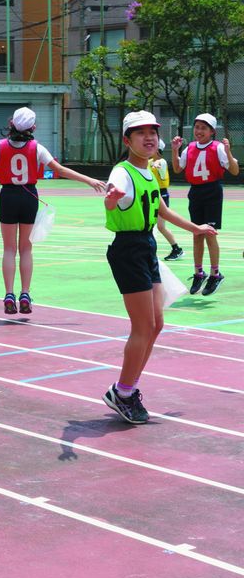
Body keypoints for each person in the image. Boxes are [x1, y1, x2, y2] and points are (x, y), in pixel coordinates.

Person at [103, 112, 216, 424]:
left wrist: (196, 228)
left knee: (156, 325)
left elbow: (162, 209)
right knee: (142, 327)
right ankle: (122, 392)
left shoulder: (149, 172)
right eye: (140, 133)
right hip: (129, 250)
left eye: (152, 132)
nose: (149, 137)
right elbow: (114, 195)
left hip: (146, 247)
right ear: (127, 140)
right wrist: (111, 200)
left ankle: (128, 388)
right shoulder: (122, 172)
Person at [0, 107, 105, 315]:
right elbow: (60, 170)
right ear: (33, 128)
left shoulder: (0, 147)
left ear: (11, 124)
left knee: (9, 249)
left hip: (8, 196)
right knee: (26, 249)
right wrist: (89, 180)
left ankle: (9, 294)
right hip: (29, 196)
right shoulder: (37, 148)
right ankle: (25, 293)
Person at [171, 113, 238, 295]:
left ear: (211, 132)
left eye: (203, 128)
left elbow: (234, 170)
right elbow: (177, 169)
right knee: (196, 233)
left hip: (212, 191)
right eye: (197, 127)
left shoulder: (217, 148)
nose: (199, 131)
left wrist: (229, 151)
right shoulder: (190, 148)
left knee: (209, 233)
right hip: (195, 192)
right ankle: (198, 272)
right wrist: (175, 150)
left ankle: (216, 274)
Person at [151, 137, 183, 261]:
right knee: (158, 226)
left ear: (157, 149)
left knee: (160, 225)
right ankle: (176, 249)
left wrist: (155, 165)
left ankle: (177, 249)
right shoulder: (149, 162)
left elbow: (162, 172)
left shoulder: (161, 162)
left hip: (161, 195)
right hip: (153, 194)